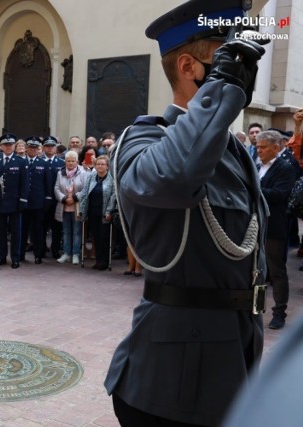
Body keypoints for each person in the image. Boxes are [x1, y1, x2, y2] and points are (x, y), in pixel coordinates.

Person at [104, 1, 269, 426]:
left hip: (234, 354)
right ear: (188, 67)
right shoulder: (143, 139)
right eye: (228, 57)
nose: (244, 75)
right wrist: (223, 90)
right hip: (172, 378)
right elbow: (173, 177)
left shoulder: (233, 150)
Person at [256, 130, 296, 329]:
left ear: (276, 147)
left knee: (276, 271)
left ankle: (279, 312)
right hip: (254, 226)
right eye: (257, 146)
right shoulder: (256, 165)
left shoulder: (285, 168)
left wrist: (251, 189)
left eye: (262, 147)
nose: (258, 150)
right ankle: (256, 308)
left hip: (274, 227)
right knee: (256, 271)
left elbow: (279, 195)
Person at [0, 133, 29, 269]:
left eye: (11, 144)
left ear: (14, 146)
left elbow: (25, 183)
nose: (8, 147)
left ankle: (15, 258)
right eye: (5, 145)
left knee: (16, 232)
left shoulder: (21, 161)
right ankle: (0, 257)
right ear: (1, 146)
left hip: (15, 202)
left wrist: (23, 200)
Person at [78, 155, 115, 270]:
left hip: (105, 213)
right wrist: (82, 210)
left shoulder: (111, 179)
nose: (100, 166)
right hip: (92, 212)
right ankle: (98, 260)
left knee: (104, 237)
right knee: (95, 237)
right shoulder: (91, 176)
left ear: (107, 166)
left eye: (102, 164)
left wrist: (109, 211)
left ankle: (104, 261)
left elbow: (113, 197)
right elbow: (84, 193)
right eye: (98, 164)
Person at [20, 136, 52, 264]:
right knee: (22, 230)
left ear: (38, 149)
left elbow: (48, 183)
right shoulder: (20, 162)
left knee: (37, 231)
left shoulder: (43, 163)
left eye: (35, 147)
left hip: (38, 202)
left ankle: (38, 255)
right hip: (23, 202)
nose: (32, 149)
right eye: (30, 147)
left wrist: (48, 199)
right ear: (26, 148)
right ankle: (20, 254)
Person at [54, 150, 86, 265]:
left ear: (77, 161)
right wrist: (64, 199)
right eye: (68, 161)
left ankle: (76, 254)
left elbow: (85, 189)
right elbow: (56, 188)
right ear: (65, 162)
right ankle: (67, 253)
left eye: (73, 161)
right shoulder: (60, 173)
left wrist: (74, 198)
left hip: (76, 206)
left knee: (77, 232)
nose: (71, 163)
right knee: (66, 231)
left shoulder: (83, 173)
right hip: (64, 206)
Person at [42, 136, 65, 258]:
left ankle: (55, 249)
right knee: (42, 226)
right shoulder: (39, 161)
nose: (50, 148)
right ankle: (41, 248)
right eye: (47, 146)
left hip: (57, 200)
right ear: (43, 147)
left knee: (56, 227)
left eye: (52, 146)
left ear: (56, 148)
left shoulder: (62, 163)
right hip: (42, 200)